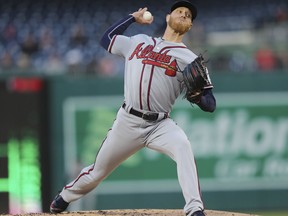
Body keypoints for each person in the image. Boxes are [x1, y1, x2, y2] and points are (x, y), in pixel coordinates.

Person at [50, 1, 216, 216]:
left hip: (160, 125)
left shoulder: (191, 60)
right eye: (180, 11)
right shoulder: (139, 42)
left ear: (190, 26)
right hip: (127, 121)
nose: (184, 15)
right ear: (167, 18)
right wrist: (131, 18)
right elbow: (106, 39)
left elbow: (211, 104)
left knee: (183, 146)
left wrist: (199, 97)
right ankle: (65, 196)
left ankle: (194, 209)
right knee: (97, 172)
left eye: (188, 16)